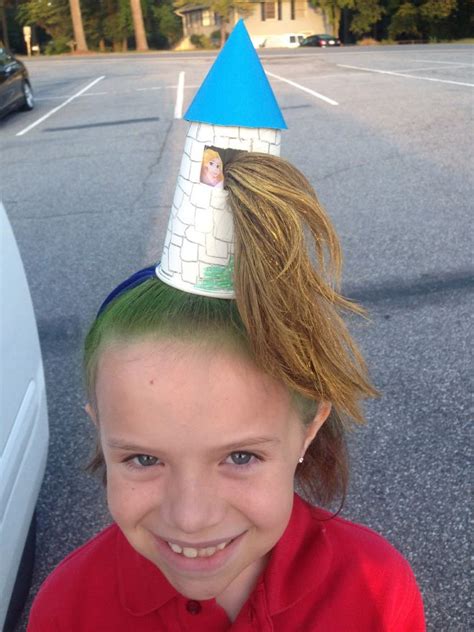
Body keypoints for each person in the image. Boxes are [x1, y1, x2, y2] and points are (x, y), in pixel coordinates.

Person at [27, 154, 425, 631]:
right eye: (144, 459)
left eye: (240, 457)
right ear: (101, 432)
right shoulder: (66, 610)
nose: (190, 518)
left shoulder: (377, 592)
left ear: (308, 430)